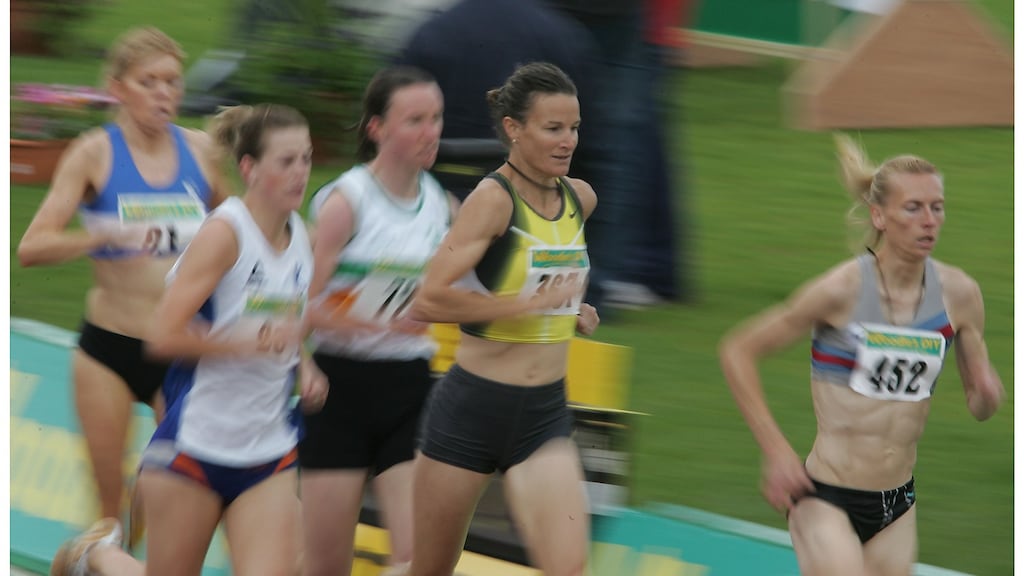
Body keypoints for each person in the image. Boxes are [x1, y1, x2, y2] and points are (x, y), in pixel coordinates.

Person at [48, 103, 327, 576]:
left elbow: (276, 318)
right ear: (249, 168)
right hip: (196, 447)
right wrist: (241, 346)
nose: (301, 171)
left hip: (268, 449)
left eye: (307, 158)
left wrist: (306, 364)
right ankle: (94, 556)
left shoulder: (301, 236)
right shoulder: (225, 234)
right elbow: (162, 336)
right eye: (287, 161)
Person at [718, 135, 1005, 576]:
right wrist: (776, 451)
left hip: (898, 504)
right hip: (826, 496)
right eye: (913, 208)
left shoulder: (960, 295)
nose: (929, 221)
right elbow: (738, 350)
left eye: (937, 207)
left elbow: (979, 405)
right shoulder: (842, 290)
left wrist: (988, 394)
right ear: (879, 216)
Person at [16, 27, 230, 524]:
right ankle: (92, 554)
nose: (163, 93)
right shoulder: (94, 153)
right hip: (108, 350)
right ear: (117, 88)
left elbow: (239, 230)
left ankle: (112, 555)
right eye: (148, 82)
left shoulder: (199, 151)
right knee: (109, 512)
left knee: (171, 498)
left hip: (178, 350)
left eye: (172, 82)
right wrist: (101, 235)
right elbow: (32, 247)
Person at [405, 62, 600, 576]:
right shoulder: (492, 201)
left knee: (569, 567)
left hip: (543, 415)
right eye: (553, 128)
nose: (568, 141)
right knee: (430, 570)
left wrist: (573, 312)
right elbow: (429, 299)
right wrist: (520, 306)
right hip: (471, 411)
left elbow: (545, 283)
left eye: (574, 127)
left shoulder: (580, 199)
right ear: (514, 128)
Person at [299, 66, 458, 576]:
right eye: (415, 120)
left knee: (418, 561)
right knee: (325, 567)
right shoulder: (346, 203)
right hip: (339, 390)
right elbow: (295, 304)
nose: (431, 132)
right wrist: (364, 323)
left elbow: (471, 291)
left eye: (436, 118)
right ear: (377, 128)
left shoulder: (443, 206)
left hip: (410, 390)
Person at [395, 0, 600, 201]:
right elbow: (589, 148)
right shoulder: (564, 38)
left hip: (441, 196)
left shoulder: (432, 34)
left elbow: (394, 130)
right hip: (532, 203)